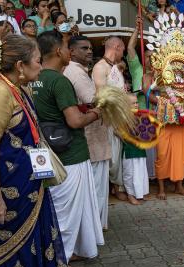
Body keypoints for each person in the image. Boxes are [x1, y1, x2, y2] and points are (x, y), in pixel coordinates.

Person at [0, 34, 72, 267]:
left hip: (30, 185)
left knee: (36, 244)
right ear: (20, 65)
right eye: (38, 62)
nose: (42, 68)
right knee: (13, 253)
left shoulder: (18, 89)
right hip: (8, 191)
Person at [34, 30, 104, 267]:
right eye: (66, 46)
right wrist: (98, 112)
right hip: (69, 155)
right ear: (57, 51)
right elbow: (74, 121)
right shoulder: (58, 80)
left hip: (46, 153)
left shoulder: (32, 78)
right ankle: (59, 265)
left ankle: (66, 253)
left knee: (56, 209)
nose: (69, 50)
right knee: (65, 214)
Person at [63, 35, 112, 228]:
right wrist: (113, 96)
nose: (89, 51)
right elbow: (93, 100)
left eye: (90, 48)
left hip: (91, 137)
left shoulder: (79, 70)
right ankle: (94, 229)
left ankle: (93, 228)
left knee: (95, 187)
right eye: (84, 48)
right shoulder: (76, 72)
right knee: (96, 188)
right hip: (91, 138)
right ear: (71, 51)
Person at [92, 36, 128, 201]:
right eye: (123, 49)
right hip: (107, 120)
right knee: (110, 156)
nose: (124, 53)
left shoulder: (114, 67)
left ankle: (115, 187)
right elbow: (101, 96)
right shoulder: (100, 67)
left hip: (119, 118)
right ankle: (105, 190)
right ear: (116, 46)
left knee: (117, 156)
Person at [124, 21, 150, 205]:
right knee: (131, 156)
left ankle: (142, 189)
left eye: (154, 57)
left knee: (143, 158)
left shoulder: (162, 74)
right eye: (148, 57)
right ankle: (130, 191)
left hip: (153, 118)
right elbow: (130, 47)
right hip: (134, 115)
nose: (151, 60)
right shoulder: (137, 69)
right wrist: (137, 29)